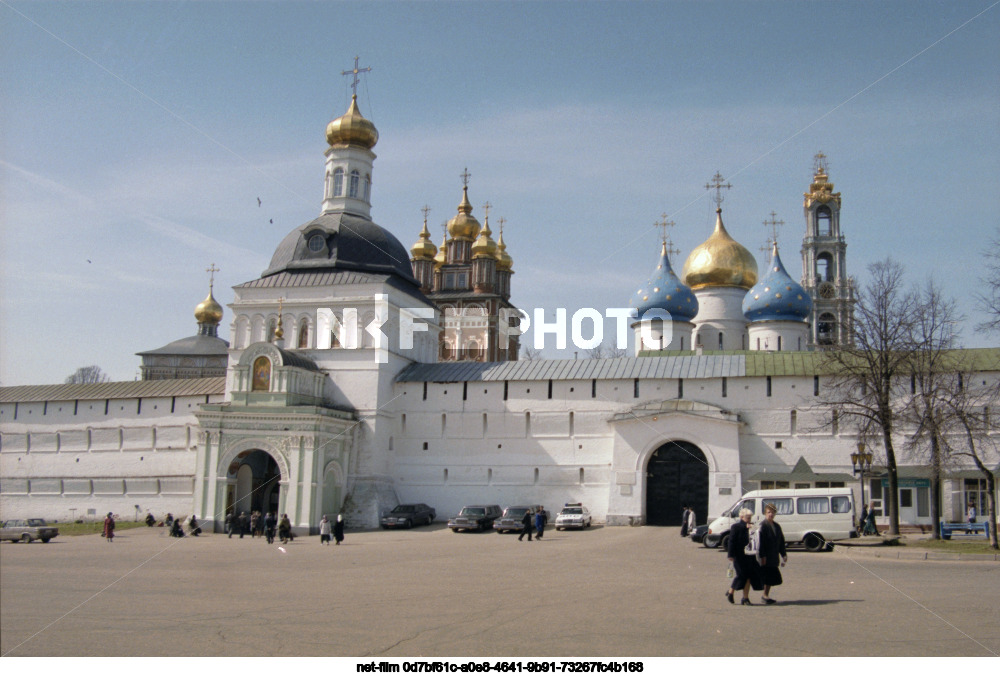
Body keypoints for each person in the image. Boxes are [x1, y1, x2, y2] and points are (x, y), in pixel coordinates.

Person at [725, 508, 762, 605]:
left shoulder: (751, 526)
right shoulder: (736, 527)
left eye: (750, 517)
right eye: (747, 517)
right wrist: (730, 554)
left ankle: (745, 598)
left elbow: (756, 538)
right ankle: (731, 592)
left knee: (749, 576)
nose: (749, 519)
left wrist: (753, 528)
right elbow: (731, 541)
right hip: (739, 556)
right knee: (741, 575)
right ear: (741, 517)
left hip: (750, 555)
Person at [757, 503, 787, 605]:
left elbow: (781, 541)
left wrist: (783, 554)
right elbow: (760, 543)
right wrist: (763, 556)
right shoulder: (763, 526)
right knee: (766, 576)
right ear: (765, 513)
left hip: (774, 556)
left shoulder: (777, 526)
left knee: (771, 577)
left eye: (773, 512)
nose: (771, 514)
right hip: (766, 556)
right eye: (769, 512)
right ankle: (764, 596)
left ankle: (765, 595)